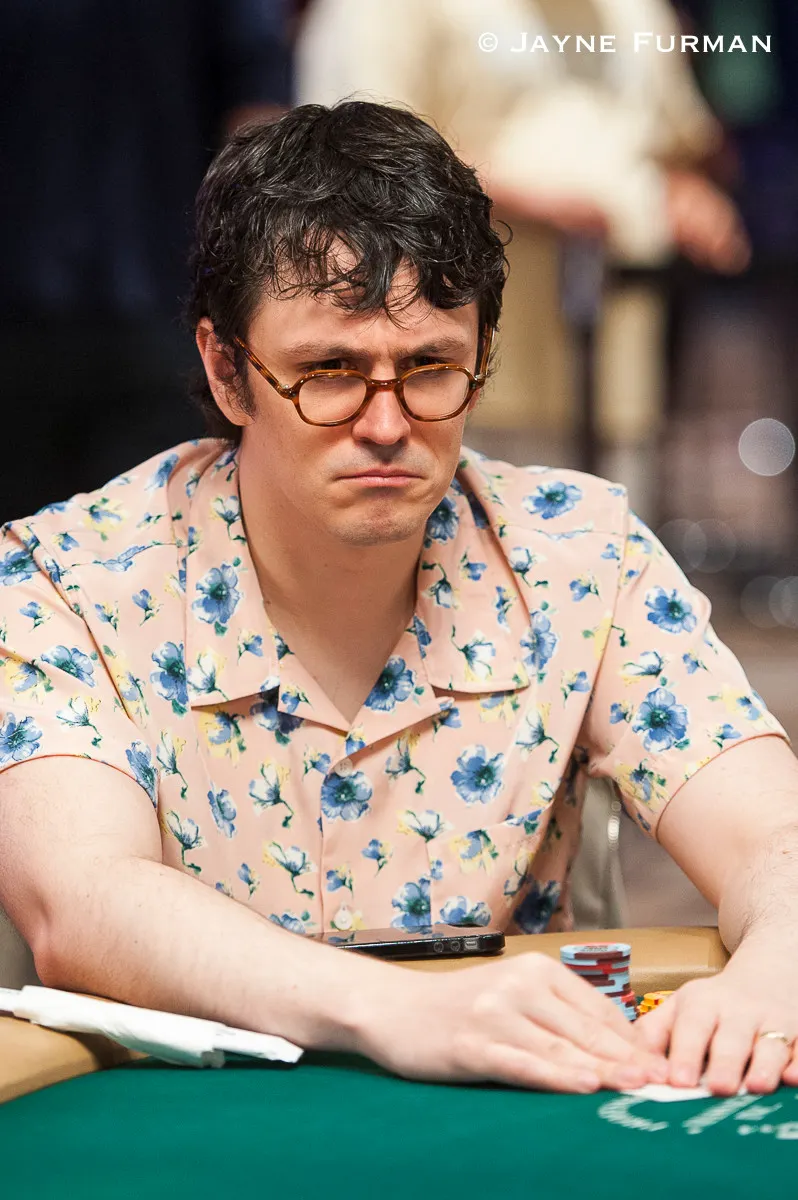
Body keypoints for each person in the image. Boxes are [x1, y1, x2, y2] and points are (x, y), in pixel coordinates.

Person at [0, 102, 796, 1099]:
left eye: (429, 369)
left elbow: (773, 839)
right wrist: (404, 1011)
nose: (386, 425)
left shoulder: (579, 553)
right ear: (226, 369)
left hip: (506, 1129)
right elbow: (82, 903)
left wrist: (775, 971)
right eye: (329, 372)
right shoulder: (65, 579)